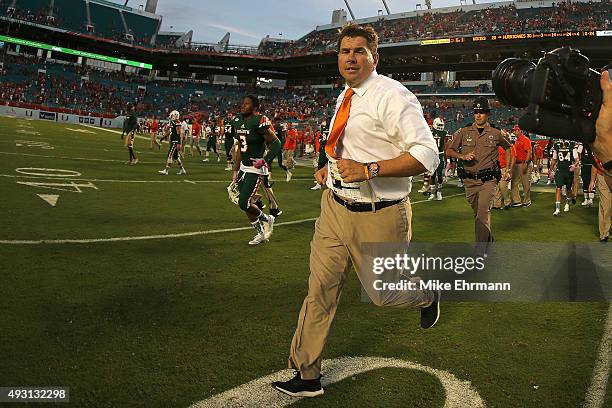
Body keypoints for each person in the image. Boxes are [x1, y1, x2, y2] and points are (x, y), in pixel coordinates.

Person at [272, 24, 440, 398]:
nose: (350, 57)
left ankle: (427, 294)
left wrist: (370, 170)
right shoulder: (345, 96)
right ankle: (307, 373)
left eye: (359, 51)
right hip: (334, 207)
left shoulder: (393, 96)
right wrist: (326, 164)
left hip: (380, 213)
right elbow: (341, 141)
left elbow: (428, 155)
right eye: (345, 51)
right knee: (319, 290)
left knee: (384, 294)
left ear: (373, 57)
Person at [446, 96, 512, 254]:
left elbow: (509, 148)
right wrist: (462, 156)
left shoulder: (496, 132)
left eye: (481, 112)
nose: (478, 115)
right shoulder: (463, 131)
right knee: (478, 214)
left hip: (488, 181)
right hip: (469, 181)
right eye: (476, 112)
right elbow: (449, 150)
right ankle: (488, 240)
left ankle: (480, 251)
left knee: (482, 213)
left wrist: (507, 169)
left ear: (487, 114)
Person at [230, 95, 281, 245]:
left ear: (255, 107)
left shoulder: (259, 121)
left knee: (243, 202)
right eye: (243, 103)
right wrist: (235, 169)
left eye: (247, 104)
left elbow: (276, 144)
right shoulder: (238, 120)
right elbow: (240, 147)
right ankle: (260, 233)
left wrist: (264, 160)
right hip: (244, 168)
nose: (243, 106)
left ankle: (268, 218)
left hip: (255, 168)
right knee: (246, 205)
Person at [549, 139, 579, 216]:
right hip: (560, 170)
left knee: (568, 189)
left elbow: (577, 159)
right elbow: (554, 159)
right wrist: (550, 170)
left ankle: (568, 202)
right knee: (558, 187)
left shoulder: (572, 145)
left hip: (568, 170)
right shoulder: (556, 145)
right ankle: (557, 209)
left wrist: (574, 165)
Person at [158, 110, 186, 176]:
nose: (171, 116)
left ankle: (166, 170)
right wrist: (163, 137)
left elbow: (179, 134)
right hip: (174, 141)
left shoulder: (178, 123)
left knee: (170, 155)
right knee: (176, 157)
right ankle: (182, 170)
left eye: (172, 115)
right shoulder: (173, 122)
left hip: (175, 142)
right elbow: (170, 132)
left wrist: (179, 143)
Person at [510, 126, 532, 207]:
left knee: (525, 183)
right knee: (514, 182)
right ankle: (517, 200)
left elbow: (529, 152)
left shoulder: (525, 139)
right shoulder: (516, 141)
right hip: (516, 164)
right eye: (513, 131)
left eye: (515, 131)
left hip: (523, 163)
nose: (513, 132)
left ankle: (527, 201)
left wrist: (526, 163)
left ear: (519, 131)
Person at [428, 117, 448, 201]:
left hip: (440, 154)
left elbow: (446, 145)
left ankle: (439, 192)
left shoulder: (444, 133)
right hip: (432, 155)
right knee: (432, 174)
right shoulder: (430, 132)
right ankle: (432, 193)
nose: (440, 126)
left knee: (439, 174)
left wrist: (447, 158)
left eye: (441, 125)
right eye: (439, 125)